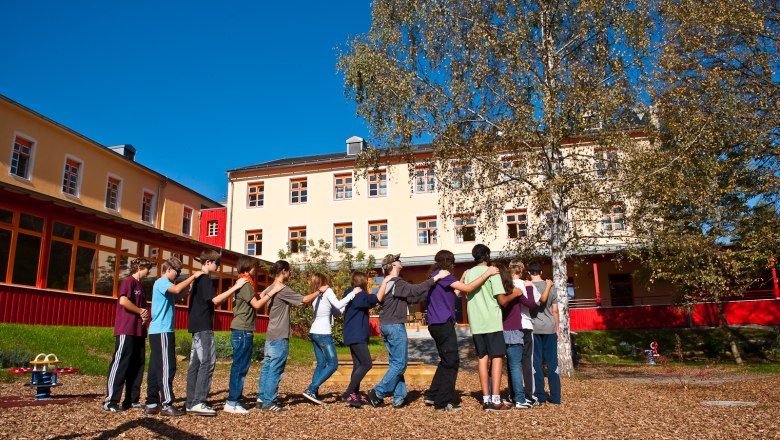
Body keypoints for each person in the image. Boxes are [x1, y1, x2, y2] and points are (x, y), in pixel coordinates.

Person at [367, 254, 450, 409]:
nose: (400, 262)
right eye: (398, 260)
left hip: (386, 325)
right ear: (392, 265)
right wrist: (437, 277)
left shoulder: (389, 283)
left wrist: (432, 290)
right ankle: (377, 392)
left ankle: (398, 398)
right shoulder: (396, 282)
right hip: (394, 326)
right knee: (400, 365)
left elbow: (412, 298)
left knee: (396, 363)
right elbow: (415, 289)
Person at [424, 250, 498, 411]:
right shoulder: (445, 276)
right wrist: (488, 273)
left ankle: (432, 394)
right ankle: (442, 402)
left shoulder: (436, 276)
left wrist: (462, 278)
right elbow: (469, 288)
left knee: (445, 360)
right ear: (450, 263)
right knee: (452, 362)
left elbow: (454, 293)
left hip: (435, 324)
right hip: (443, 325)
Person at [185, 250, 249, 416]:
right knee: (208, 362)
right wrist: (235, 287)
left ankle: (191, 401)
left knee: (196, 364)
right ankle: (199, 401)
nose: (218, 266)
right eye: (217, 263)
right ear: (208, 262)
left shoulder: (197, 279)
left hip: (195, 324)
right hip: (203, 326)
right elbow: (215, 300)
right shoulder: (205, 279)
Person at [256, 260, 319, 412]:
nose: (290, 274)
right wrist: (319, 291)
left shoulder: (270, 288)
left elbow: (261, 296)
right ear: (283, 271)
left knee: (267, 367)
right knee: (275, 369)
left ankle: (261, 398)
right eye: (289, 271)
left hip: (270, 333)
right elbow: (303, 300)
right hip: (280, 334)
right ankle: (269, 402)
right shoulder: (282, 289)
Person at [144, 257, 203, 417]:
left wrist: (188, 289)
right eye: (177, 273)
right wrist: (193, 276)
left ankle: (151, 402)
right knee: (167, 367)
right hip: (162, 331)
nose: (177, 276)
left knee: (156, 368)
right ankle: (166, 404)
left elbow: (177, 296)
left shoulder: (164, 286)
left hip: (159, 331)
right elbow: (176, 290)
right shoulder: (162, 282)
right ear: (169, 269)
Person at [224, 256, 283, 414]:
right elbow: (257, 304)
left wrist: (266, 290)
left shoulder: (243, 282)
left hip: (240, 329)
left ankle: (234, 399)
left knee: (240, 366)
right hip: (243, 330)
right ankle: (232, 401)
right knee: (240, 367)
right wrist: (274, 292)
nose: (256, 269)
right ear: (249, 267)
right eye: (254, 267)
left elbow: (255, 298)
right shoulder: (245, 284)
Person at [462, 244, 511, 411]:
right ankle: (496, 399)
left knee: (482, 359)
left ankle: (486, 399)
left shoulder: (468, 274)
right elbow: (502, 300)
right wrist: (516, 293)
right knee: (497, 358)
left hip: (476, 323)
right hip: (492, 321)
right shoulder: (493, 272)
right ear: (487, 256)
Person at [498, 262, 551, 409]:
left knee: (512, 363)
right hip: (525, 324)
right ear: (521, 272)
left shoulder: (504, 285)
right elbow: (535, 302)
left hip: (507, 326)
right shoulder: (525, 285)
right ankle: (528, 395)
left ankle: (513, 394)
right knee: (526, 362)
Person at [103, 257, 153, 412]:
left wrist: (144, 316)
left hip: (139, 330)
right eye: (147, 268)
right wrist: (139, 311)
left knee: (137, 364)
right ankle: (110, 401)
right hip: (126, 329)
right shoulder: (128, 282)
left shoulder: (141, 286)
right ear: (139, 267)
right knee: (121, 363)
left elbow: (142, 308)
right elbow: (123, 301)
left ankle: (131, 400)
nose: (149, 271)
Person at [303, 273, 357, 405]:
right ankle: (311, 388)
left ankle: (313, 393)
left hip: (314, 332)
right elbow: (338, 305)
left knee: (321, 364)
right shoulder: (327, 291)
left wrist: (346, 304)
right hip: (323, 333)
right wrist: (352, 294)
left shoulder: (316, 295)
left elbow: (336, 311)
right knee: (333, 364)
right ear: (323, 281)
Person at [341, 271, 377, 407]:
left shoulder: (349, 293)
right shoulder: (359, 295)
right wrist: (383, 287)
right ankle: (348, 393)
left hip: (351, 334)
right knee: (367, 363)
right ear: (363, 281)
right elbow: (373, 300)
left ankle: (353, 395)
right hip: (357, 335)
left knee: (357, 365)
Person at [529, 261, 561, 405]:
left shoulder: (527, 287)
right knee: (552, 362)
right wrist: (557, 329)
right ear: (541, 272)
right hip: (549, 328)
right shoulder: (551, 287)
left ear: (529, 273)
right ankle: (555, 397)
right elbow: (555, 310)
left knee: (536, 363)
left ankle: (540, 396)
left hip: (534, 328)